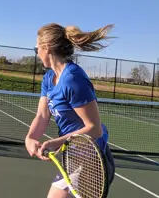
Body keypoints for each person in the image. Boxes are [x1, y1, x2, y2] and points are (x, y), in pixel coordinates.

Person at [25, 23, 116, 198]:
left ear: (47, 48)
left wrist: (56, 142)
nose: (37, 54)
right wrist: (31, 138)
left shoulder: (73, 81)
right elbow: (42, 115)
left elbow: (95, 128)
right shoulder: (50, 77)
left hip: (91, 158)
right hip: (73, 155)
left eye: (37, 49)